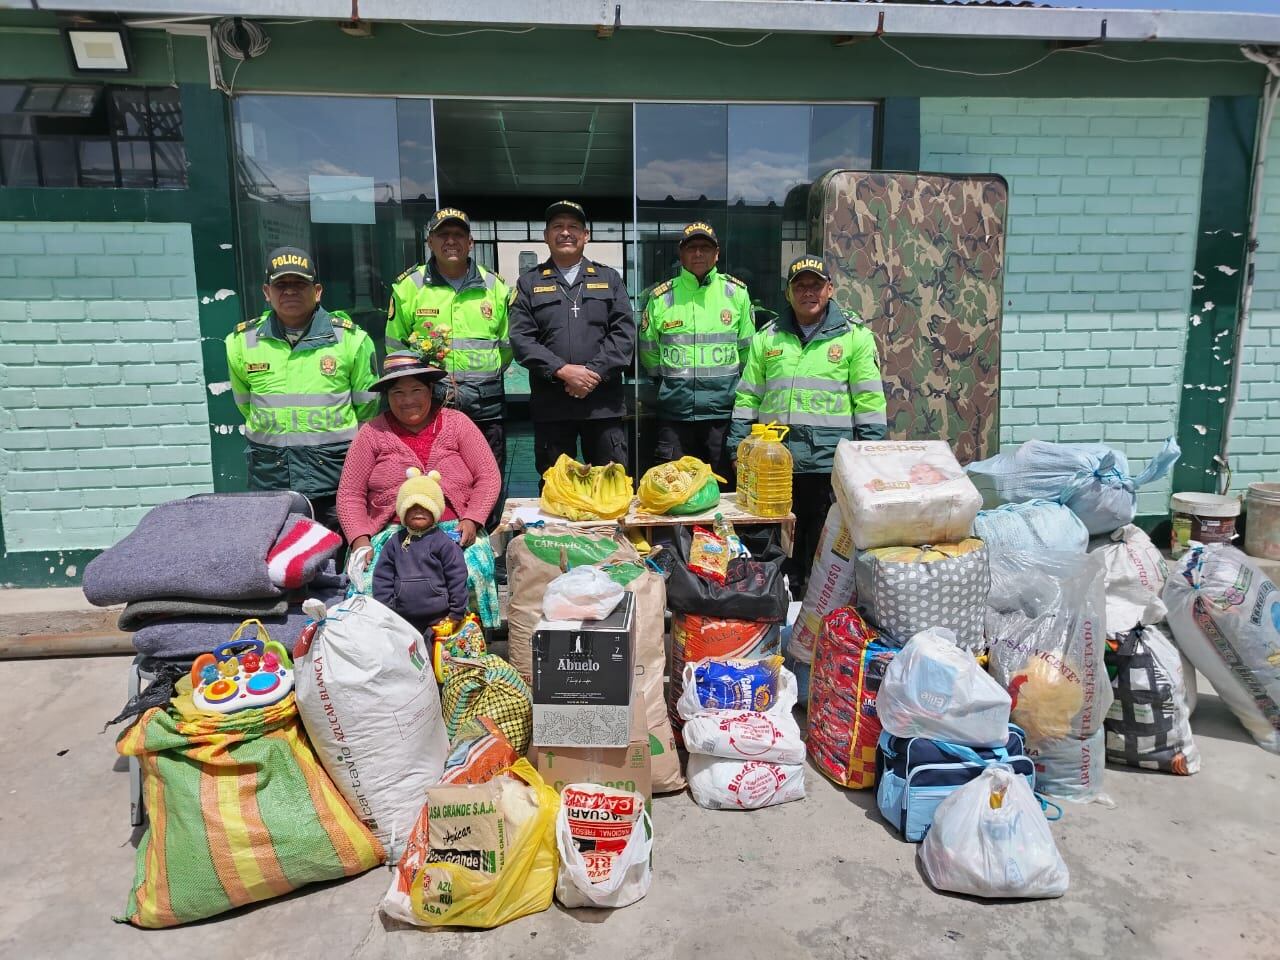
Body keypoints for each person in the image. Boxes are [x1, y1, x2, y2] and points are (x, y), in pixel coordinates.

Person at [729, 255, 888, 593]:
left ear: (829, 290)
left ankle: (815, 615)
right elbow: (747, 398)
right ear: (788, 293)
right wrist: (737, 446)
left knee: (822, 545)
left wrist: (870, 454)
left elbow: (870, 402)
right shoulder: (768, 337)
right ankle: (779, 605)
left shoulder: (854, 336)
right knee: (775, 545)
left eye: (815, 285)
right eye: (799, 286)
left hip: (827, 465)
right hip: (773, 466)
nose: (808, 292)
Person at [337, 351, 502, 626]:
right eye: (398, 392)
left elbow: (488, 476)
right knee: (369, 583)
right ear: (387, 397)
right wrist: (360, 541)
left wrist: (473, 518)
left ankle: (462, 644)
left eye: (416, 390)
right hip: (390, 535)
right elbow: (350, 494)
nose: (408, 400)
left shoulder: (458, 424)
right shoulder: (372, 433)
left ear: (430, 391)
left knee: (469, 574)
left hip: (454, 531)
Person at [225, 246, 379, 534]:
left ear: (317, 291)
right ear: (266, 292)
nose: (290, 292)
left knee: (338, 563)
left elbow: (367, 408)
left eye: (299, 284)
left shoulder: (351, 340)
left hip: (333, 479)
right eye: (281, 285)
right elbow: (245, 404)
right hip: (271, 479)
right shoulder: (240, 343)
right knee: (276, 563)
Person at [385, 207, 512, 481]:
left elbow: (507, 348)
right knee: (435, 478)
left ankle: (485, 526)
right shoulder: (409, 287)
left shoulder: (495, 287)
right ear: (430, 241)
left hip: (486, 404)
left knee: (489, 477)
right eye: (443, 234)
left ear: (470, 242)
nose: (451, 241)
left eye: (458, 234)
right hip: (434, 402)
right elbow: (396, 350)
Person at [509, 200, 635, 475]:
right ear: (546, 236)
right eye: (558, 227)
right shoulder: (529, 283)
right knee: (555, 488)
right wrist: (563, 371)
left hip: (603, 407)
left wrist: (592, 374)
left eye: (573, 227)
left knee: (611, 486)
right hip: (552, 407)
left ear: (586, 235)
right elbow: (521, 338)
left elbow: (624, 334)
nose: (565, 232)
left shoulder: (609, 278)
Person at [638, 221, 753, 480]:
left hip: (722, 414)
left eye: (705, 247)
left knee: (724, 489)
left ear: (717, 253)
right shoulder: (661, 297)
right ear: (681, 254)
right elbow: (649, 353)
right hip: (675, 415)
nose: (698, 253)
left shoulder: (736, 294)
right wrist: (668, 384)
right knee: (674, 490)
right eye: (692, 248)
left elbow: (747, 353)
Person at [372, 467, 469, 634]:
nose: (418, 510)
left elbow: (457, 578)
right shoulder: (394, 543)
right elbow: (382, 579)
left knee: (437, 657)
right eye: (412, 506)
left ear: (435, 511)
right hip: (402, 619)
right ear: (402, 511)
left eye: (425, 506)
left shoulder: (444, 543)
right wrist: (387, 611)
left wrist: (456, 613)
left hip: (439, 618)